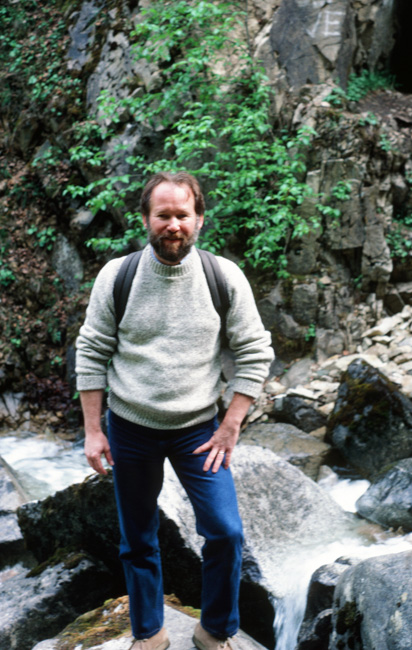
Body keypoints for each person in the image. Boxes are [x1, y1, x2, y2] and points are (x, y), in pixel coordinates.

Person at [75, 171, 274, 650]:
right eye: (162, 215)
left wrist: (231, 425)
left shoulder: (222, 277)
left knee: (225, 533)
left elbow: (255, 351)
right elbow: (91, 352)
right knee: (138, 539)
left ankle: (214, 630)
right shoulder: (117, 276)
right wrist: (92, 431)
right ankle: (150, 633)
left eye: (182, 215)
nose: (173, 225)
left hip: (198, 432)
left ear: (199, 219)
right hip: (130, 428)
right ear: (146, 219)